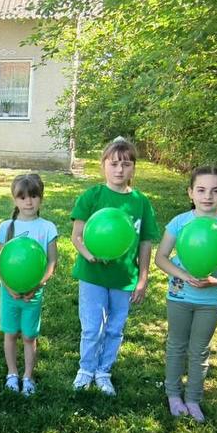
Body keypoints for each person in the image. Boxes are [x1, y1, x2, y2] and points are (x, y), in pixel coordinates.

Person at [154, 165, 217, 422]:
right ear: (190, 192)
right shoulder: (180, 222)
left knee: (199, 350)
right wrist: (184, 275)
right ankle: (173, 395)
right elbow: (161, 258)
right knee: (176, 345)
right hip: (179, 296)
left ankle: (193, 398)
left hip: (211, 300)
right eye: (201, 190)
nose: (208, 196)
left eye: (216, 191)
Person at [69, 137, 161, 396]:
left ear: (133, 168)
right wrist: (89, 255)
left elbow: (145, 243)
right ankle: (86, 369)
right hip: (93, 274)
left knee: (114, 328)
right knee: (92, 327)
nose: (120, 170)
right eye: (114, 164)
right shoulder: (92, 196)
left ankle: (103, 371)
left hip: (124, 277)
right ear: (103, 166)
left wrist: (142, 279)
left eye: (126, 164)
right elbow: (76, 236)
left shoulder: (141, 202)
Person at [0, 174, 59, 396]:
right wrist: (7, 285)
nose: (28, 202)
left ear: (41, 198)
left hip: (34, 293)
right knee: (10, 333)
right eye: (22, 197)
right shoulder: (6, 226)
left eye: (33, 196)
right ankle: (12, 373)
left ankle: (28, 376)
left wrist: (37, 285)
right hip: (8, 292)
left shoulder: (47, 227)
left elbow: (51, 262)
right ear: (15, 200)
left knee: (30, 336)